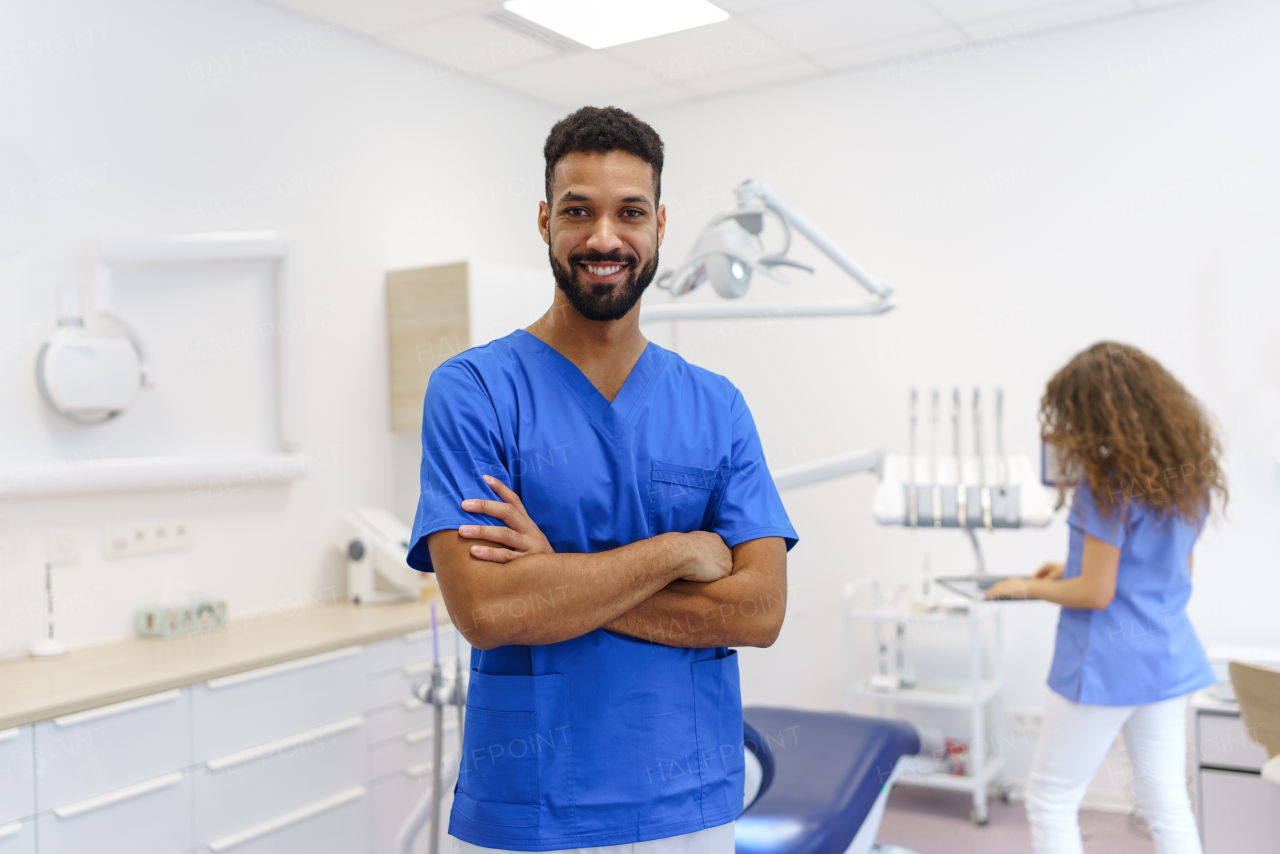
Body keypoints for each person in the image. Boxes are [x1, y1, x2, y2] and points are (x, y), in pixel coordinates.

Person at [406, 106, 798, 854]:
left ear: (659, 226)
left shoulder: (715, 405)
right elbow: (487, 610)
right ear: (547, 220)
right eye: (580, 212)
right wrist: (679, 551)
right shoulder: (475, 391)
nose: (604, 238)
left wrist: (551, 579)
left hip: (688, 805)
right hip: (530, 808)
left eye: (630, 213)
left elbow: (759, 612)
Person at [985, 341, 1227, 854]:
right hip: (1165, 656)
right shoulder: (1188, 480)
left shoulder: (1105, 484)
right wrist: (1066, 569)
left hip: (1106, 663)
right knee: (1166, 803)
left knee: (1050, 799)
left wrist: (1023, 587)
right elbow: (1170, 572)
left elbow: (1097, 591)